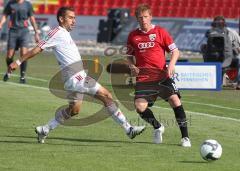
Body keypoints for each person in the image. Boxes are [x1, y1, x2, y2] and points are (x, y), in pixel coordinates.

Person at [8, 6, 145, 144]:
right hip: (76, 77)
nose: (74, 21)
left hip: (72, 79)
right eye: (71, 18)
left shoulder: (65, 33)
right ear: (61, 19)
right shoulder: (56, 32)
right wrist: (18, 61)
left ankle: (45, 128)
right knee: (107, 96)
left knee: (74, 110)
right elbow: (38, 48)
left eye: (75, 18)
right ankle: (129, 129)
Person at [126, 4, 191, 147]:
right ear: (137, 19)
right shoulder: (133, 36)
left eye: (146, 17)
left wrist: (171, 65)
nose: (143, 20)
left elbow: (175, 51)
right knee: (139, 107)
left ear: (151, 17)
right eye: (140, 17)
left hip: (162, 76)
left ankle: (185, 137)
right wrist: (132, 65)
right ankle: (158, 127)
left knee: (175, 100)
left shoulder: (161, 32)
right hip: (144, 78)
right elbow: (129, 55)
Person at [0, 0, 40, 83]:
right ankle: (9, 71)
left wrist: (36, 32)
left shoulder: (27, 4)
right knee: (9, 56)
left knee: (24, 54)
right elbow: (5, 15)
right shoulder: (10, 4)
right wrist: (0, 24)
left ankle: (22, 76)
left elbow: (32, 18)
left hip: (24, 31)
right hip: (13, 31)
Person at [203, 16, 240, 89]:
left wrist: (234, 49)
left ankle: (239, 83)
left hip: (230, 57)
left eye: (220, 23)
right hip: (215, 58)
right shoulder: (210, 33)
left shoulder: (232, 32)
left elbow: (238, 46)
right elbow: (206, 47)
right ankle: (214, 81)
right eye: (217, 23)